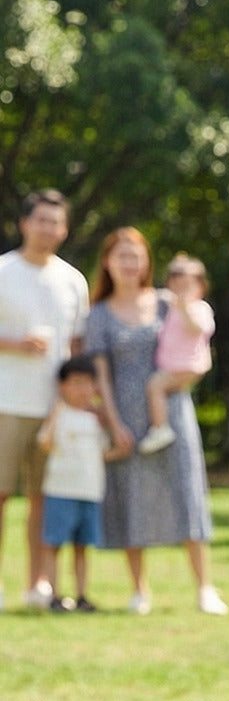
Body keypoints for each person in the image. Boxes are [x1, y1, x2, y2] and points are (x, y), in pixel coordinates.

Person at [84, 227, 228, 615]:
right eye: (122, 256)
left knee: (187, 491)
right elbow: (101, 376)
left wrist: (187, 378)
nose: (130, 263)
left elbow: (197, 344)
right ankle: (139, 590)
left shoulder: (167, 302)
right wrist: (113, 423)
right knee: (132, 496)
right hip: (125, 415)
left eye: (136, 255)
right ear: (107, 262)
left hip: (173, 411)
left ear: (147, 261)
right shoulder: (98, 314)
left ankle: (204, 588)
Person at [0, 189, 90, 611]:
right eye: (41, 220)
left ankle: (38, 583)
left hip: (53, 408)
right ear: (24, 224)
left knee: (42, 499)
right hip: (6, 402)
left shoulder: (73, 280)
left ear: (65, 229)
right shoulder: (4, 271)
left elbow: (77, 346)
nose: (48, 228)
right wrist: (15, 343)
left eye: (56, 222)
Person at [36, 354, 119, 611]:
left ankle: (81, 595)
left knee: (82, 546)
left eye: (87, 383)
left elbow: (102, 453)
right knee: (54, 544)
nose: (82, 389)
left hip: (89, 492)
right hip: (60, 490)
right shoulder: (59, 413)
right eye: (75, 383)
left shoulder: (95, 420)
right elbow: (44, 443)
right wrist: (55, 413)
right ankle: (54, 595)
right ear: (63, 386)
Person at [138, 254, 215, 455]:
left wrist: (185, 310)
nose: (182, 292)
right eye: (178, 286)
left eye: (187, 286)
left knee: (155, 386)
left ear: (201, 288)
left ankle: (160, 428)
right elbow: (157, 295)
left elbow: (199, 329)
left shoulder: (199, 308)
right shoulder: (171, 306)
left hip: (187, 365)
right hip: (176, 365)